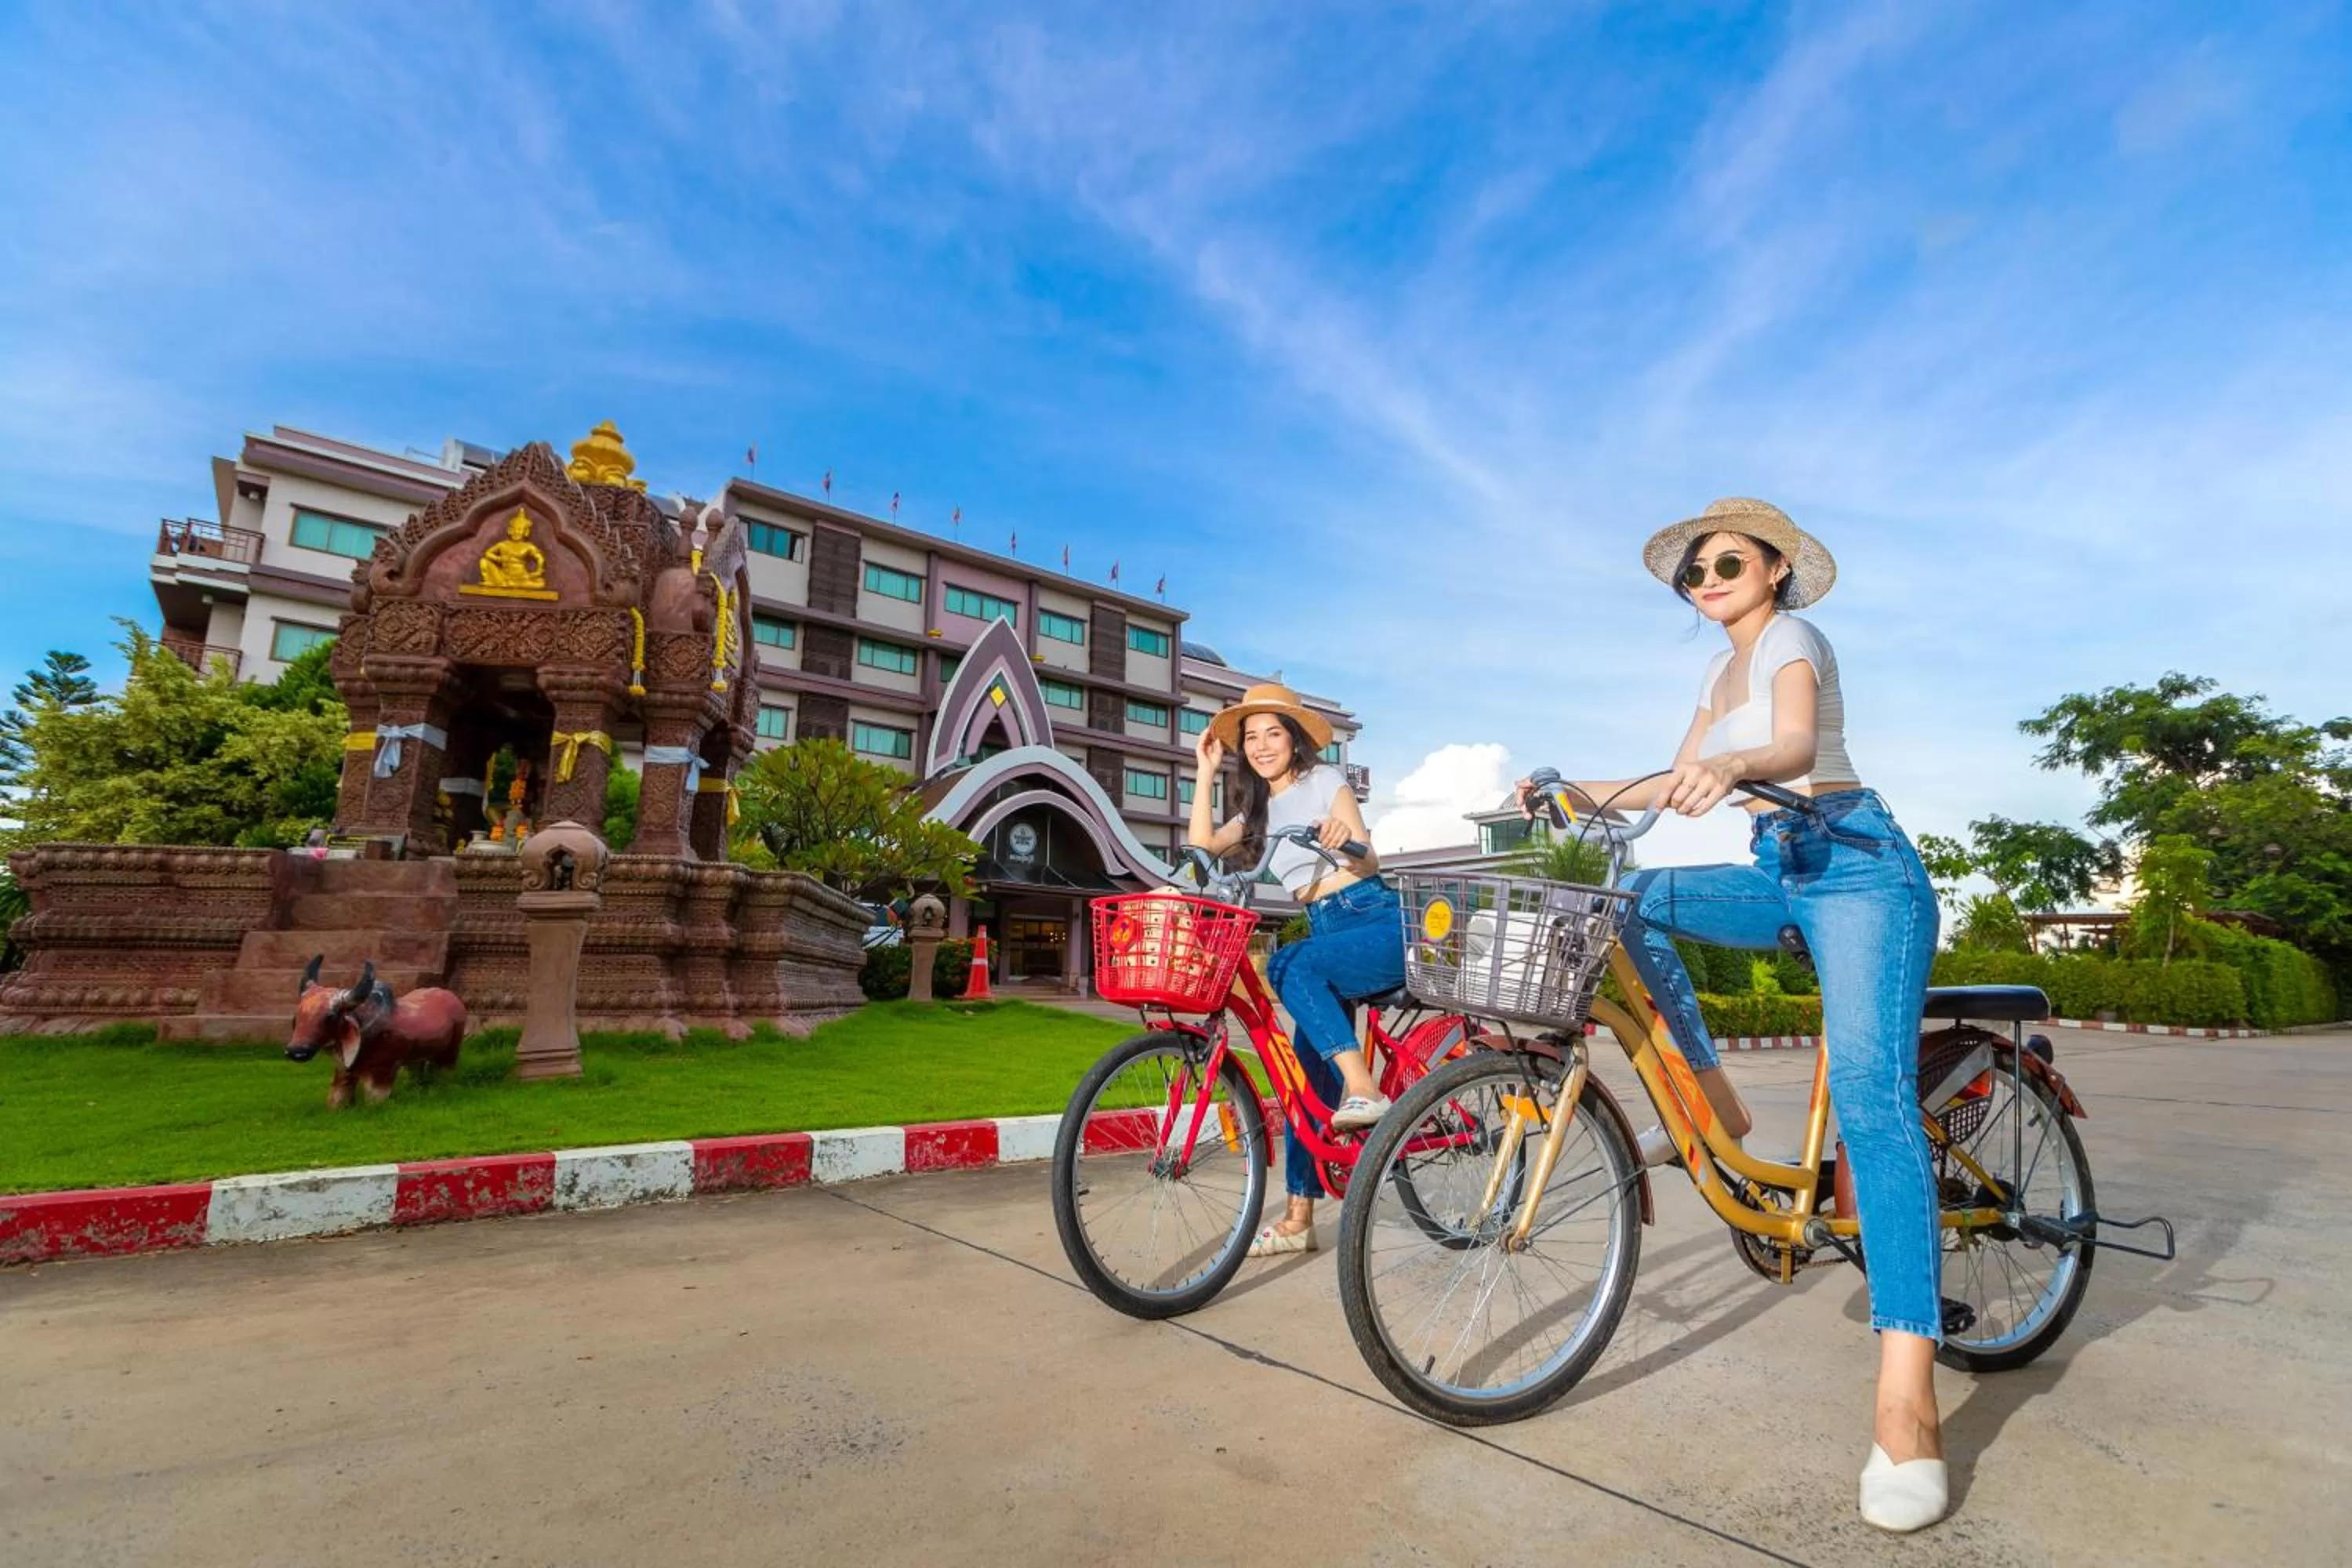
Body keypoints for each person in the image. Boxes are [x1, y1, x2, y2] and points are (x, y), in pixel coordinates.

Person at [1519, 497, 1947, 1534]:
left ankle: (1908, 1403)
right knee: (1631, 901)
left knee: (1871, 1100)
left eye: (1725, 564)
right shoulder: (1718, 677)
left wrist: (1734, 765)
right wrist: (1572, 789)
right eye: (1693, 573)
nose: (1706, 582)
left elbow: (1793, 746)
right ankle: (1715, 1100)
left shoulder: (1795, 638)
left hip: (1856, 864)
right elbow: (1673, 781)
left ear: (1774, 567)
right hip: (1776, 867)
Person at [1187, 682, 1400, 1258]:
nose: (1261, 746)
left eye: (1272, 734)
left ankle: (1363, 1088)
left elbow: (1370, 857)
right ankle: (1299, 1218)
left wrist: (1344, 839)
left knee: (1286, 963)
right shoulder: (1256, 812)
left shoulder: (1324, 781)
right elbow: (1203, 849)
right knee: (1304, 1084)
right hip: (1325, 933)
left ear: (1294, 739)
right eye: (1251, 737)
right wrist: (1205, 773)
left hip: (1372, 918)